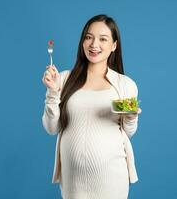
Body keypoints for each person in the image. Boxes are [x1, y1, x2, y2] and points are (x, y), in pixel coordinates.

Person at [41, 14, 142, 199]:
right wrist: (53, 92)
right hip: (73, 180)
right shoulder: (63, 79)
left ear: (114, 45)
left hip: (112, 178)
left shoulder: (125, 85)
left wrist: (131, 116)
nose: (94, 44)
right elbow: (51, 127)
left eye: (103, 39)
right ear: (82, 42)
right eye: (89, 37)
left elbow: (128, 132)